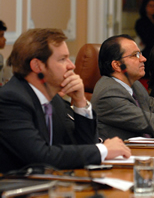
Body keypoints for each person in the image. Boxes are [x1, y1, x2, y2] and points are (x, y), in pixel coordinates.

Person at [0, 29, 131, 173]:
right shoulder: (10, 100)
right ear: (37, 66)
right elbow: (40, 156)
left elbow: (83, 147)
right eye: (62, 59)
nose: (71, 65)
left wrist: (80, 103)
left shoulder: (54, 100)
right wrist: (103, 150)